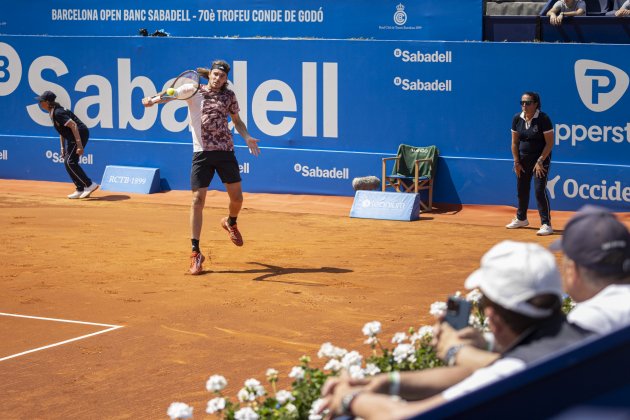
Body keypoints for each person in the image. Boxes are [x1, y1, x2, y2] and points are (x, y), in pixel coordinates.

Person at [319, 241, 592, 419]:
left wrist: (350, 398)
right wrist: (384, 383)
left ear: (492, 317)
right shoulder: (586, 337)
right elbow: (473, 372)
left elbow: (404, 416)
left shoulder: (512, 373)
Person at [432, 205, 630, 373]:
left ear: (573, 269)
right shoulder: (612, 312)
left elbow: (535, 372)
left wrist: (455, 351)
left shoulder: (593, 317)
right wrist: (487, 342)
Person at [142, 60, 260, 275]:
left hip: (225, 152)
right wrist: (152, 100)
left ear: (226, 79)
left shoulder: (229, 96)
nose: (218, 78)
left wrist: (247, 137)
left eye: (222, 76)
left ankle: (230, 222)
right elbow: (169, 95)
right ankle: (196, 252)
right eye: (215, 74)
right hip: (202, 153)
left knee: (237, 199)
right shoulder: (192, 89)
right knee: (197, 200)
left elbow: (237, 120)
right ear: (210, 75)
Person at [506, 91, 555, 236]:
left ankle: (546, 224)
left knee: (539, 190)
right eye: (522, 102)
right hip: (523, 159)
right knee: (521, 189)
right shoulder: (517, 118)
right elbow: (514, 142)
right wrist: (516, 161)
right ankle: (521, 218)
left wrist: (540, 161)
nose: (524, 106)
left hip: (541, 158)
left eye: (527, 103)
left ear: (536, 104)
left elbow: (550, 143)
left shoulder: (543, 119)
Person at [36, 91, 99, 199]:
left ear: (47, 102)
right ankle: (80, 188)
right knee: (67, 162)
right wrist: (62, 147)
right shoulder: (52, 112)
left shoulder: (57, 113)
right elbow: (62, 131)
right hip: (73, 136)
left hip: (79, 133)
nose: (40, 103)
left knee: (70, 161)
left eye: (41, 101)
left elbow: (73, 125)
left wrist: (79, 145)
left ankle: (89, 184)